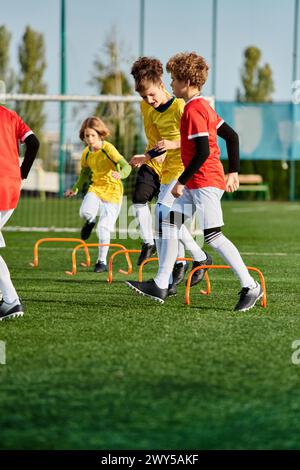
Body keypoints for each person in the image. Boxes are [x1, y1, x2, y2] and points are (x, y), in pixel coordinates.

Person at [127, 52, 263, 312]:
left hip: (204, 181)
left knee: (214, 237)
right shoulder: (201, 107)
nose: (172, 84)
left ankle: (250, 286)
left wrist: (181, 182)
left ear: (187, 81)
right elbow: (231, 136)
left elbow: (202, 151)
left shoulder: (194, 109)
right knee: (168, 220)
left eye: (175, 79)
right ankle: (161, 283)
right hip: (196, 181)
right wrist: (233, 171)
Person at [130, 57, 209, 295]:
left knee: (164, 218)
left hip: (182, 170)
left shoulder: (180, 107)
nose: (149, 101)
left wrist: (173, 145)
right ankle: (189, 262)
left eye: (152, 95)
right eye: (144, 97)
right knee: (166, 222)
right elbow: (157, 142)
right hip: (165, 171)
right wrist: (148, 157)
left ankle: (167, 277)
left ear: (162, 85)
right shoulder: (148, 109)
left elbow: (191, 142)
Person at [65, 116, 131, 272]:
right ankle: (90, 221)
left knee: (104, 228)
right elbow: (84, 173)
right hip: (96, 188)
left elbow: (126, 166)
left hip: (113, 192)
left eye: (93, 135)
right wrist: (75, 189)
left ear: (100, 135)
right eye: (86, 135)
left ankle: (101, 262)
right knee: (85, 212)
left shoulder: (108, 148)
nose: (89, 139)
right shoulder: (86, 153)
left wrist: (120, 175)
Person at [0, 105, 40, 320]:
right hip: (11, 186)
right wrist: (21, 172)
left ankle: (11, 300)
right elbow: (34, 143)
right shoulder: (10, 115)